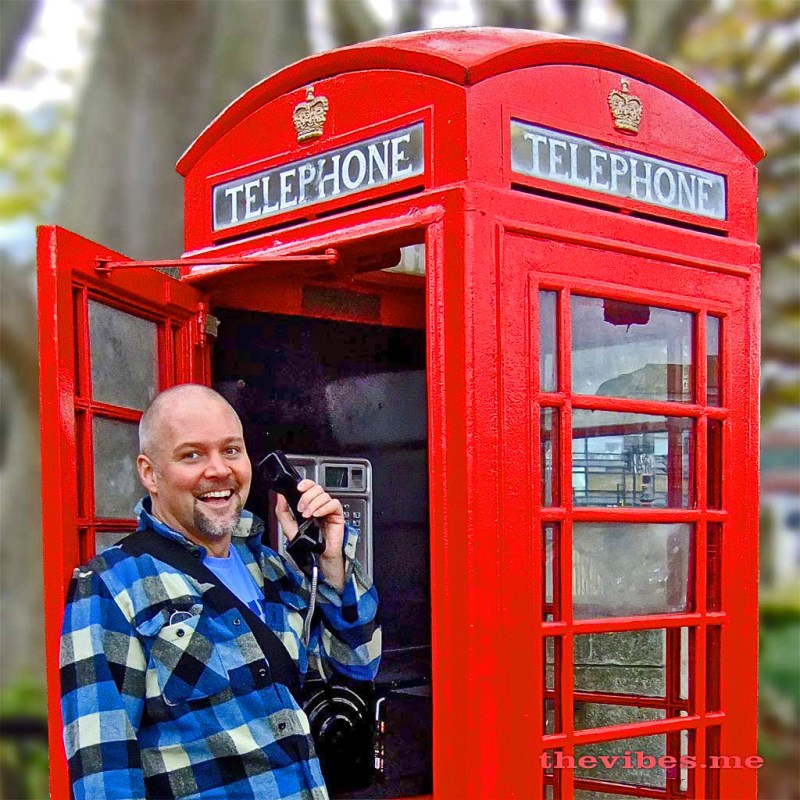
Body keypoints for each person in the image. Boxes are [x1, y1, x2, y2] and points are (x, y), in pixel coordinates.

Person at [59, 384, 381, 799]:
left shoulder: (269, 567)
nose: (218, 470)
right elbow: (103, 776)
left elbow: (358, 665)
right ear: (149, 473)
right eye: (191, 454)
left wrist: (332, 560)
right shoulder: (109, 586)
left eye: (231, 450)